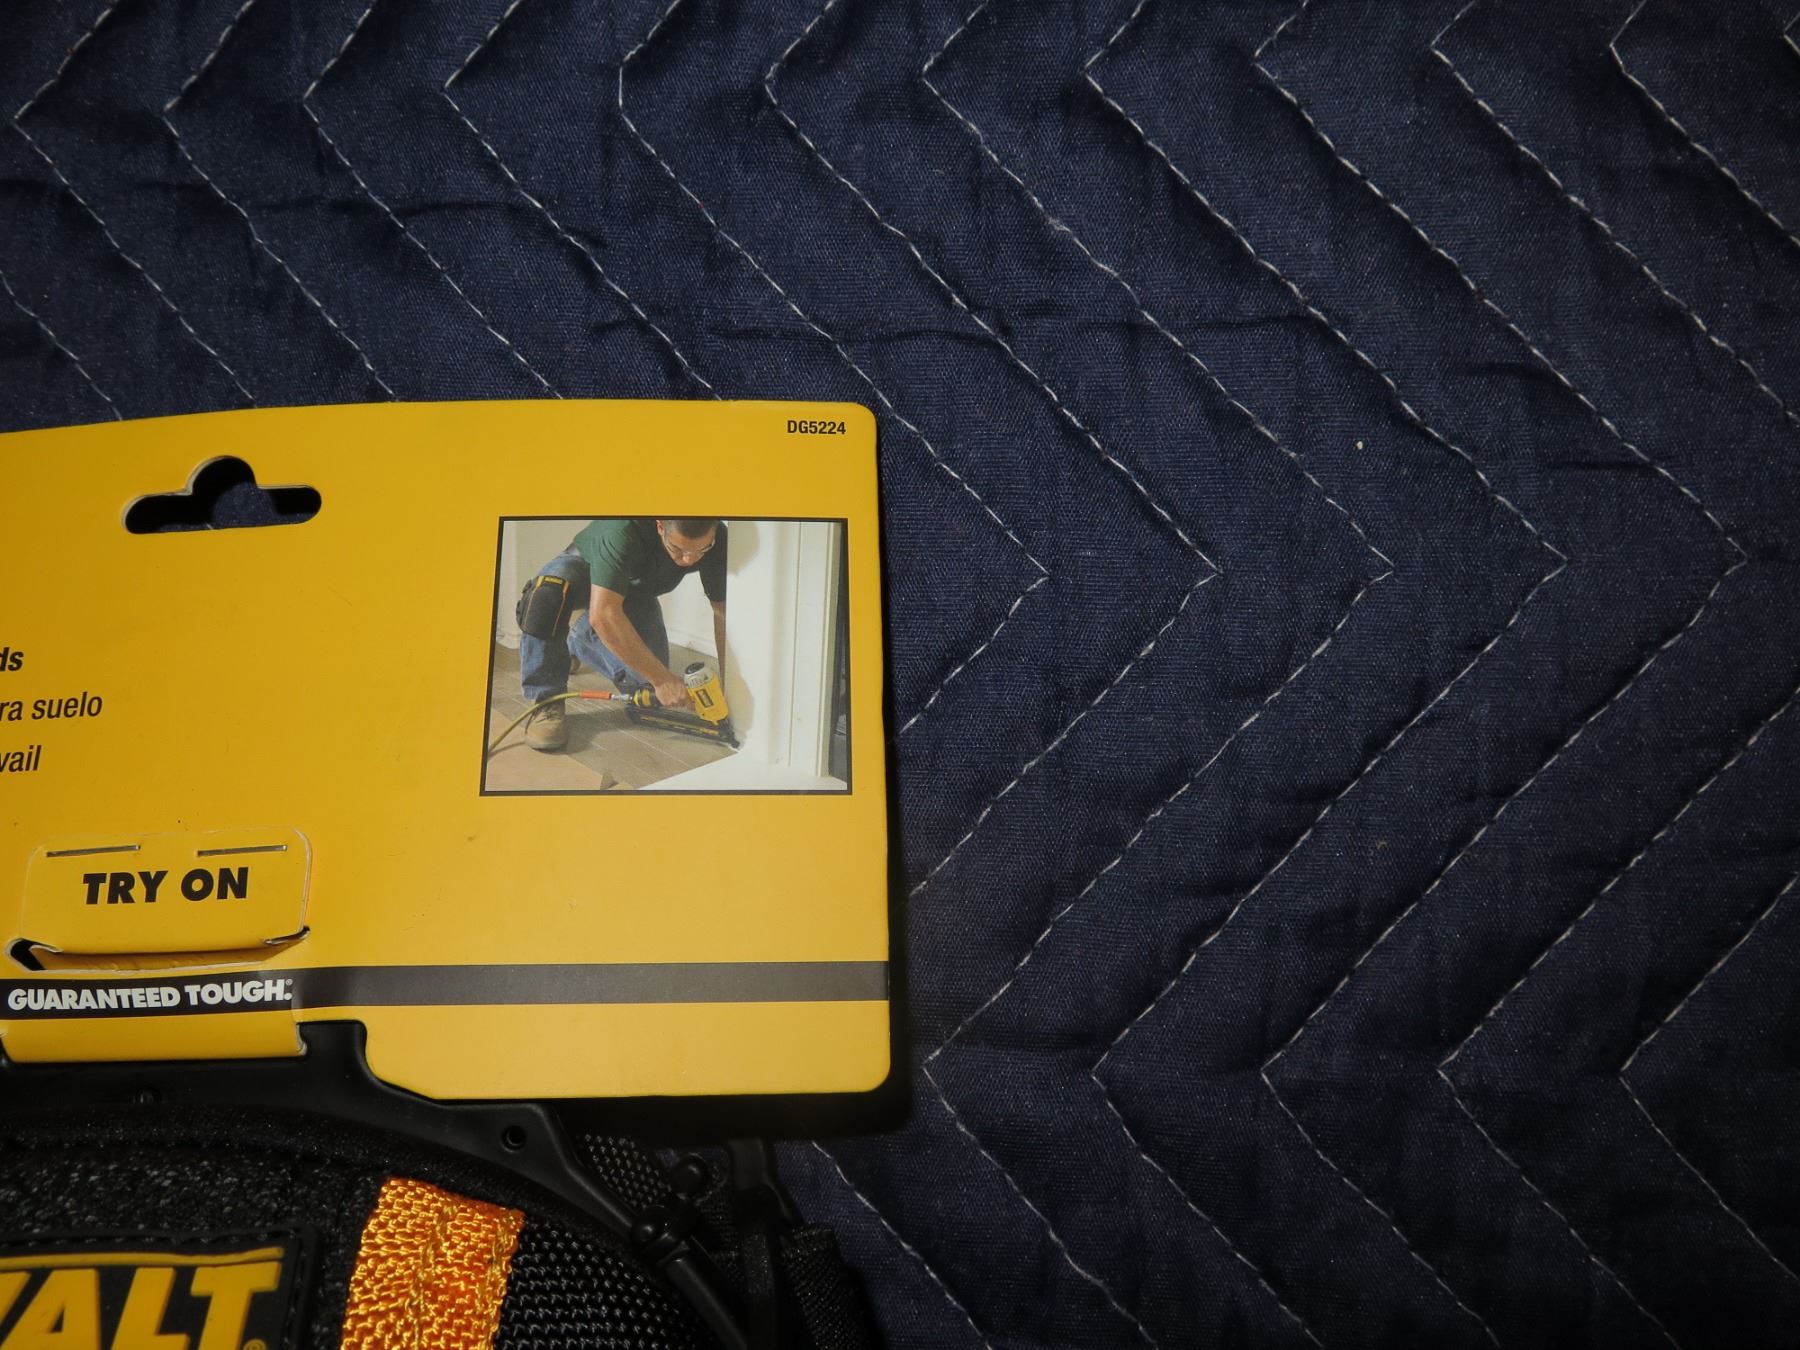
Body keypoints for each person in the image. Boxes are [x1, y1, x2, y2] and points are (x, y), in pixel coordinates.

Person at [518, 518, 727, 752]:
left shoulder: (718, 539)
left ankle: (581, 640)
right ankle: (546, 700)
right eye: (678, 548)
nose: (689, 559)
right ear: (660, 527)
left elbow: (724, 614)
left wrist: (730, 686)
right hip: (584, 571)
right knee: (547, 597)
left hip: (631, 593)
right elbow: (604, 614)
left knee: (645, 690)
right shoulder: (622, 529)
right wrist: (663, 680)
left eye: (701, 550)